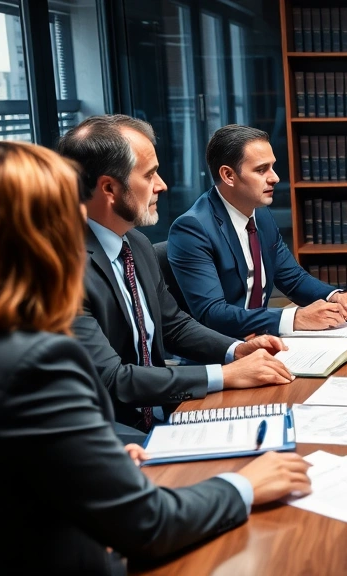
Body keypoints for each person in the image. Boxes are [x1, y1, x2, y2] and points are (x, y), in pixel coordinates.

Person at [0, 140, 312, 573]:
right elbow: (147, 524)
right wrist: (244, 485)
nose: (80, 221)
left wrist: (96, 447)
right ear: (39, 234)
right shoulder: (37, 362)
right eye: (67, 208)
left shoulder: (134, 245)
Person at [58, 115, 294, 433]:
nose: (162, 185)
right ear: (109, 188)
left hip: (166, 412)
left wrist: (235, 350)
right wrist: (224, 375)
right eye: (150, 174)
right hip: (109, 433)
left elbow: (174, 327)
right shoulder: (61, 271)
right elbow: (113, 379)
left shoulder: (136, 244)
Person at [167, 124, 347, 340]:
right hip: (221, 352)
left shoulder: (261, 215)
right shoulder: (192, 229)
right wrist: (294, 319)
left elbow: (293, 279)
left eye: (272, 167)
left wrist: (334, 296)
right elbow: (212, 313)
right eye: (261, 170)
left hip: (264, 340)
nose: (275, 178)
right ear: (228, 175)